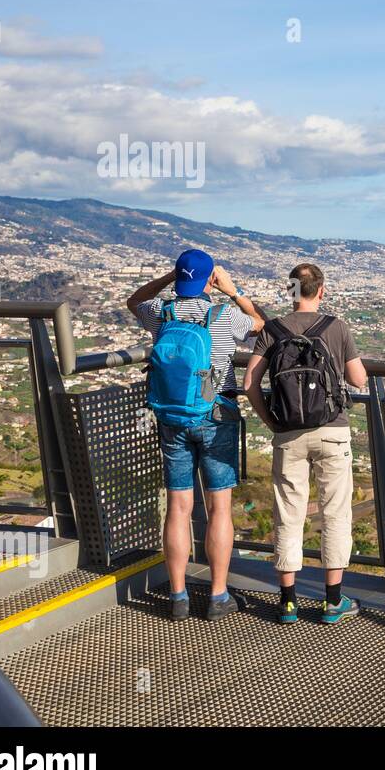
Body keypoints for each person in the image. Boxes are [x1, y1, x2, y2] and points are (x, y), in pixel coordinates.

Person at [127, 249, 264, 621]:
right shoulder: (223, 315)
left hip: (172, 418)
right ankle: (218, 596)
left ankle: (178, 596)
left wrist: (169, 280)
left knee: (178, 507)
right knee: (219, 507)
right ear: (209, 280)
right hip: (217, 416)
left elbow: (135, 300)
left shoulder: (162, 313)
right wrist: (232, 290)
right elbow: (261, 325)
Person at [243, 263, 367, 624]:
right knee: (335, 513)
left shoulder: (274, 330)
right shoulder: (337, 327)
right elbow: (358, 379)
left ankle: (288, 603)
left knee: (288, 514)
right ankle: (332, 601)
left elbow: (251, 382)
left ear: (291, 291)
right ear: (322, 290)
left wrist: (271, 422)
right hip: (332, 430)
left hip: (288, 435)